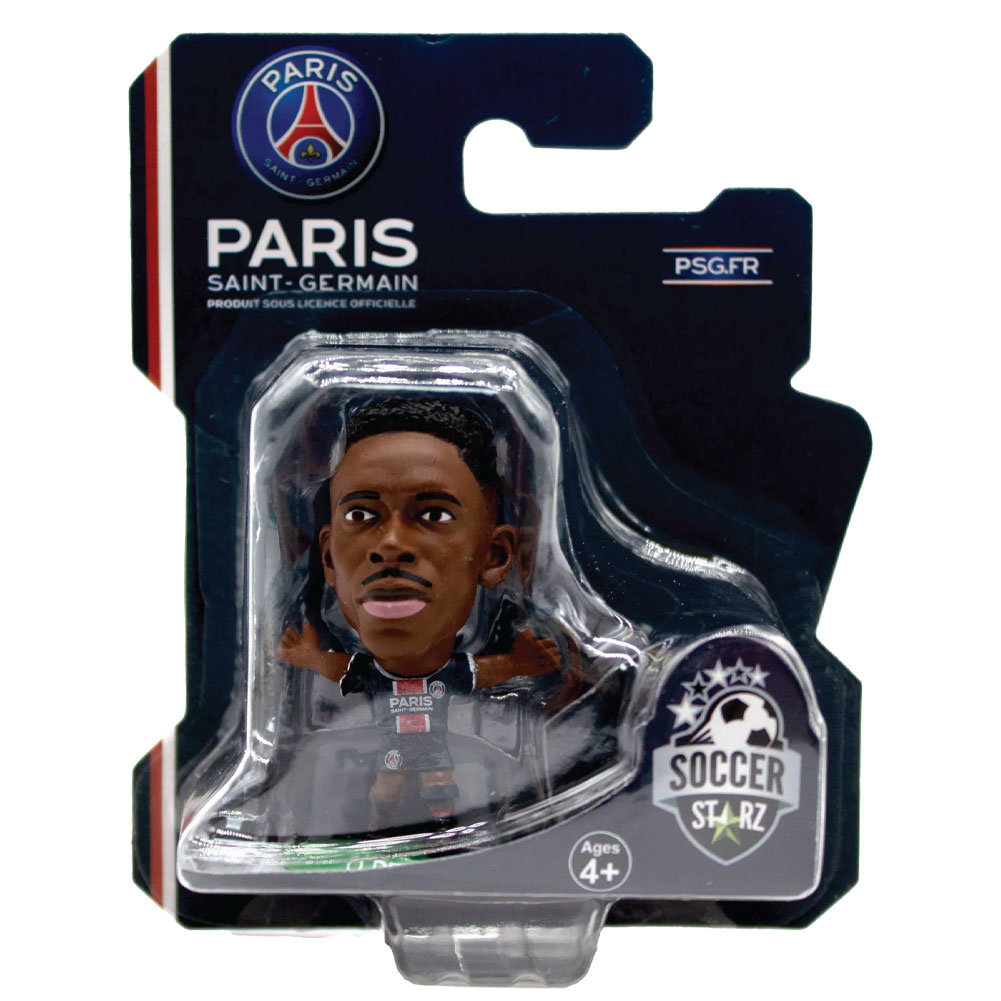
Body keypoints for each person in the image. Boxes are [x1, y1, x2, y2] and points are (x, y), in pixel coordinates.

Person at [278, 398, 560, 830]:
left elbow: (489, 672)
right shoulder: (371, 676)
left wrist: (523, 664)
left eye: (433, 514)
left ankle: (444, 831)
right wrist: (307, 657)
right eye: (361, 514)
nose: (391, 544)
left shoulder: (453, 675)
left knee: (439, 785)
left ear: (494, 556)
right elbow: (339, 669)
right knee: (386, 789)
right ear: (329, 558)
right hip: (388, 754)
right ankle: (380, 827)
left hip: (437, 754)